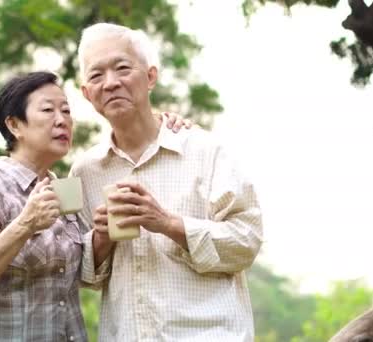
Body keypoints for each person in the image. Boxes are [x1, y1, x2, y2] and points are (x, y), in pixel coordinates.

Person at [0, 71, 190, 341]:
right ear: (15, 125)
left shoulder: (66, 189)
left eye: (66, 110)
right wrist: (25, 225)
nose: (62, 120)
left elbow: (83, 274)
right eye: (48, 110)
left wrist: (103, 235)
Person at [71, 23, 264, 341]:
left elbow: (246, 243)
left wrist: (167, 223)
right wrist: (101, 238)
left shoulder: (206, 151)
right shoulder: (85, 172)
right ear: (87, 94)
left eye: (122, 68)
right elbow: (83, 275)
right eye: (96, 75)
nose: (111, 83)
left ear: (150, 77)